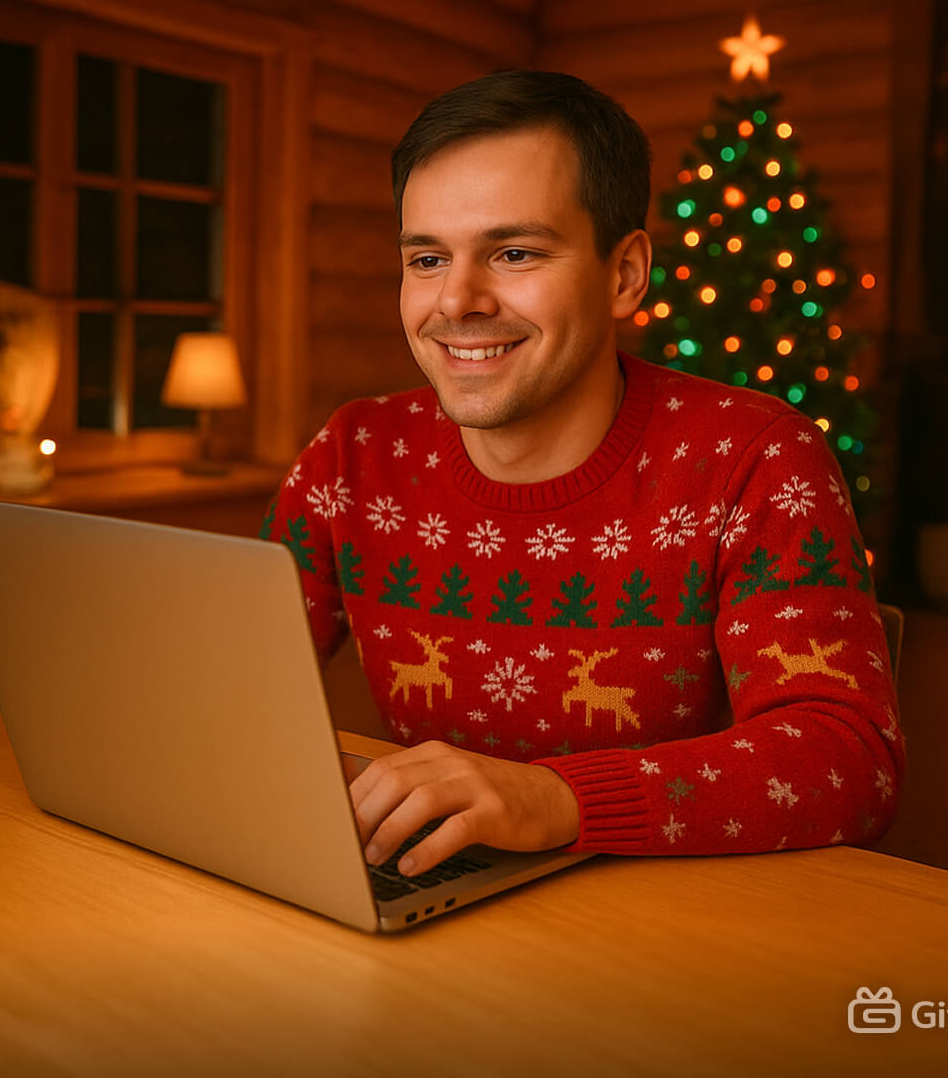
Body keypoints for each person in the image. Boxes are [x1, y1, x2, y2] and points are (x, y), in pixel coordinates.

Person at [260, 70, 904, 879]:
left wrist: (551, 799)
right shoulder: (354, 453)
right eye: (427, 258)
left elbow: (848, 757)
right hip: (425, 906)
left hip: (671, 930)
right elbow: (227, 679)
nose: (457, 300)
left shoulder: (757, 457)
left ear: (625, 274)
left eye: (515, 252)